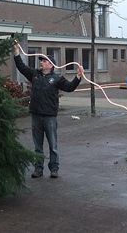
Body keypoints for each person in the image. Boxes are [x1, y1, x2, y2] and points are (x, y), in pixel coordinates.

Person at [13, 44, 84, 178]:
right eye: (41, 60)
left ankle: (54, 169)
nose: (41, 62)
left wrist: (78, 77)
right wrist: (16, 53)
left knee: (53, 145)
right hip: (36, 115)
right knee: (37, 145)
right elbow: (21, 67)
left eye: (44, 61)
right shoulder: (34, 74)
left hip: (50, 117)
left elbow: (69, 88)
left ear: (51, 65)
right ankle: (38, 169)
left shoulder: (57, 79)